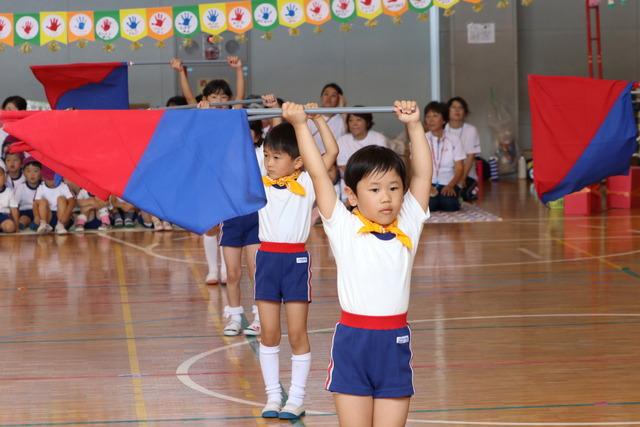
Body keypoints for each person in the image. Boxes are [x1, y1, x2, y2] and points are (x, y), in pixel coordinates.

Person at [287, 100, 431, 427]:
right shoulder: (343, 225)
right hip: (353, 345)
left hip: (394, 344)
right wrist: (299, 125)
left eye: (394, 188)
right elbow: (318, 174)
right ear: (352, 196)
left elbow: (422, 174)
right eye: (376, 189)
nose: (387, 197)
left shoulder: (408, 222)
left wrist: (414, 125)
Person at [257, 103, 338, 420]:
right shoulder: (258, 183)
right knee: (268, 332)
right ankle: (273, 395)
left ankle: (298, 398)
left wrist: (317, 120)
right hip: (266, 260)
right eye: (266, 156)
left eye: (276, 157)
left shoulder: (306, 181)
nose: (269, 162)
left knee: (297, 332)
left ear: (299, 161)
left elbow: (331, 151)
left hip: (294, 261)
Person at [424, 101, 465, 212]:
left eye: (435, 116)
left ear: (444, 120)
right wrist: (427, 185)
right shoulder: (421, 139)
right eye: (428, 116)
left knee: (450, 206)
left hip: (449, 182)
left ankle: (455, 196)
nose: (431, 120)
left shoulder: (454, 139)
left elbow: (459, 167)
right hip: (428, 182)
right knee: (429, 206)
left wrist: (451, 185)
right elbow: (415, 167)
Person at [446, 97, 482, 201]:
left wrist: (462, 178)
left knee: (465, 195)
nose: (457, 110)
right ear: (447, 111)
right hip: (446, 176)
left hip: (466, 175)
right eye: (453, 107)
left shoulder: (471, 130)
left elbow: (471, 157)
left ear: (465, 112)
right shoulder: (443, 129)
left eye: (460, 108)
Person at [34, 166, 75, 234]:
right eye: (50, 179)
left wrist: (66, 215)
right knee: (42, 201)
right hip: (48, 217)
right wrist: (36, 216)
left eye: (55, 179)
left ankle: (60, 225)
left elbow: (72, 201)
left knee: (61, 199)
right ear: (43, 178)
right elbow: (35, 203)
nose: (53, 181)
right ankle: (44, 224)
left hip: (62, 218)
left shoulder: (63, 186)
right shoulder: (41, 187)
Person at [14, 157, 42, 230]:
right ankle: (27, 224)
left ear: (41, 173)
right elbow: (15, 205)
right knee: (23, 219)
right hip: (25, 212)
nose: (32, 174)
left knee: (42, 218)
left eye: (35, 171)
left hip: (39, 212)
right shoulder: (21, 187)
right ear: (24, 173)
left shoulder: (43, 186)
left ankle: (36, 224)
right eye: (28, 171)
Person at [0, 164, 19, 233]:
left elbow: (14, 210)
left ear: (5, 177)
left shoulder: (9, 192)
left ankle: (2, 227)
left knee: (10, 227)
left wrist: (16, 226)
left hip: (4, 217)